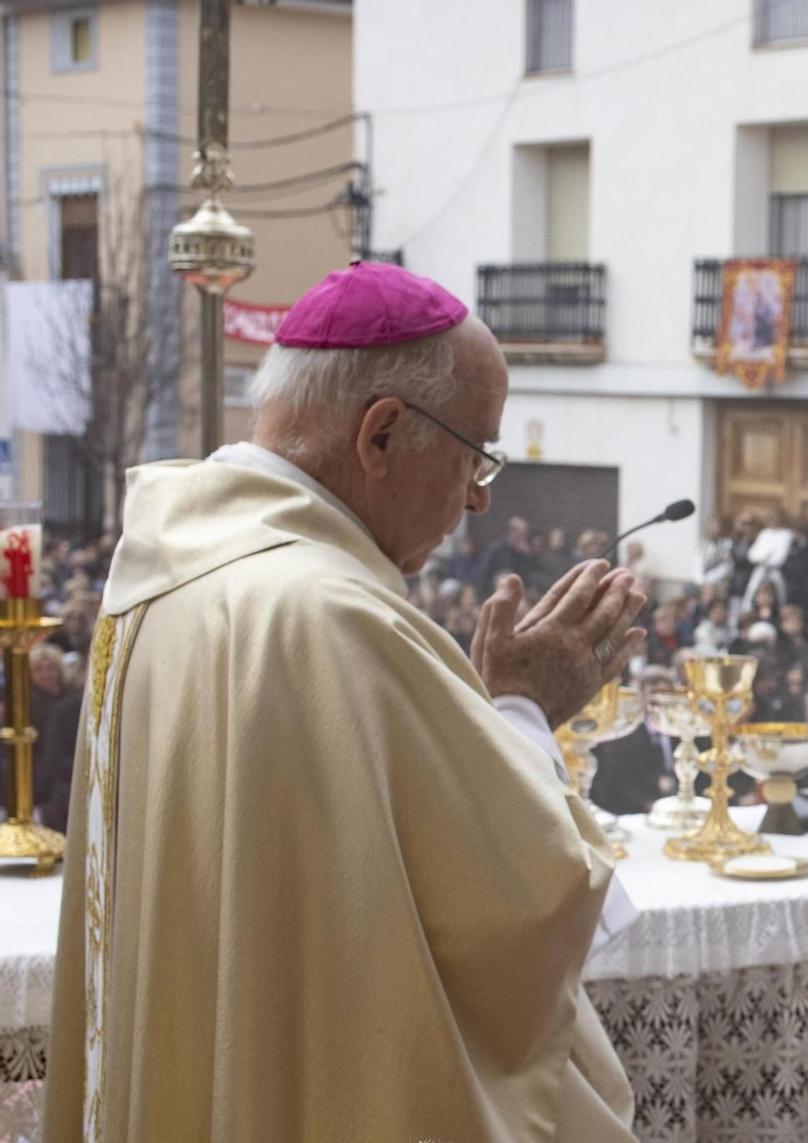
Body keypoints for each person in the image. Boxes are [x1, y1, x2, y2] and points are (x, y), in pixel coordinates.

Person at [41, 262, 646, 1140]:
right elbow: (522, 904)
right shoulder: (334, 615)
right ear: (383, 434)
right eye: (474, 452)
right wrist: (517, 707)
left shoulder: (158, 577)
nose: (479, 495)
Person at [589, 664, 675, 815]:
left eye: (667, 695)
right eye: (654, 694)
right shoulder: (624, 735)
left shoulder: (682, 731)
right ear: (641, 696)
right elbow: (614, 782)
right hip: (634, 812)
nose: (660, 703)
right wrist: (648, 805)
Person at [28, 642, 81, 831]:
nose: (45, 674)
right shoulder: (26, 708)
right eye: (38, 669)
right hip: (39, 779)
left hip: (69, 774)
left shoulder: (74, 703)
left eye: (50, 668)